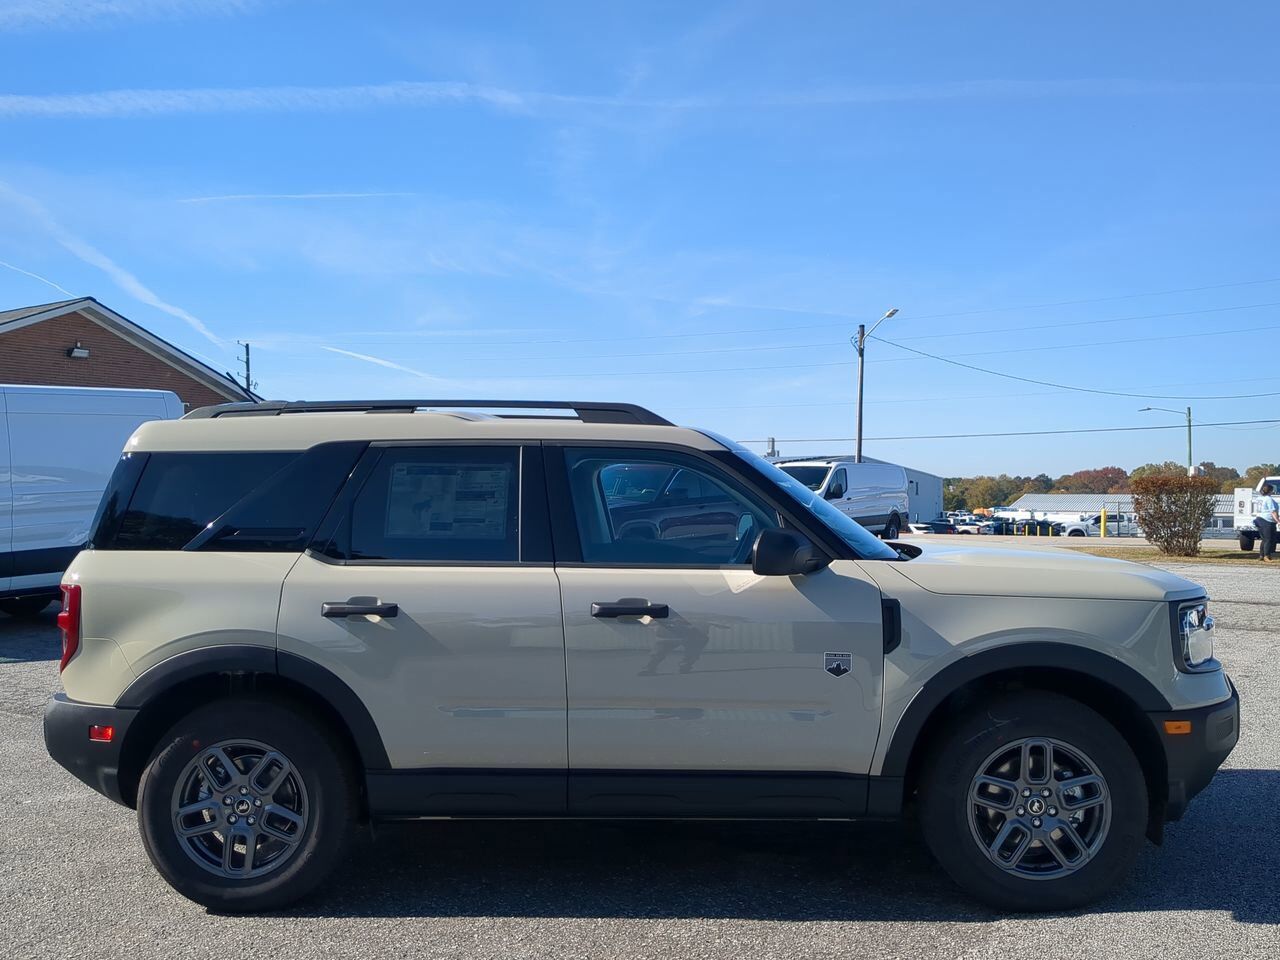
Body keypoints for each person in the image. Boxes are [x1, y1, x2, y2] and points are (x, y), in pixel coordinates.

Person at [1255, 482, 1280, 561]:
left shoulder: (1259, 498)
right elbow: (1273, 511)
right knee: (1269, 539)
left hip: (1259, 519)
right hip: (1267, 520)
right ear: (1270, 491)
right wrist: (1278, 521)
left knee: (1264, 539)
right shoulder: (1268, 499)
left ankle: (1261, 555)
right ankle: (1267, 556)